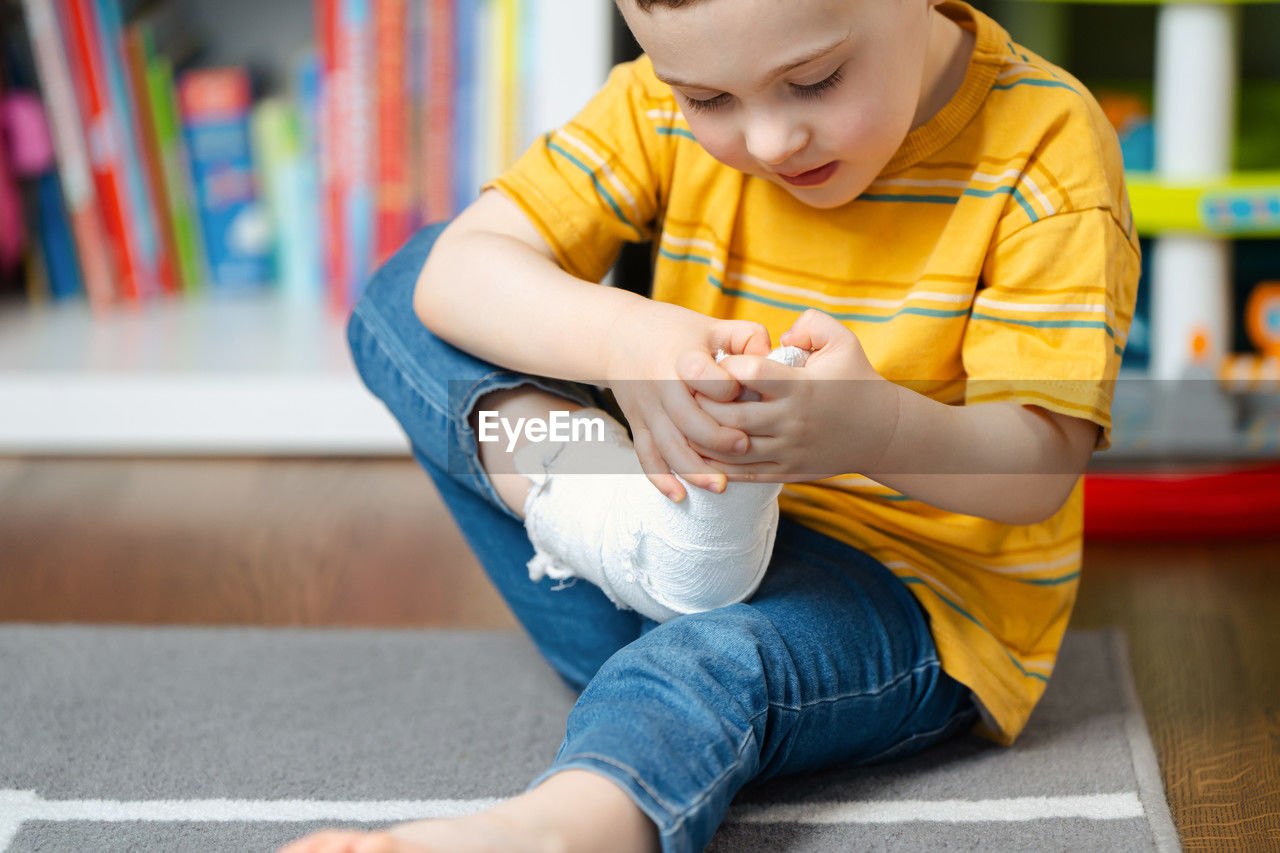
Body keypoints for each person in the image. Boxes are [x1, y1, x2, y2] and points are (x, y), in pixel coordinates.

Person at [279, 0, 1140, 849]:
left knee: (707, 664)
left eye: (815, 80)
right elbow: (457, 273)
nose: (766, 142)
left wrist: (873, 430)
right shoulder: (656, 104)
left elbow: (1037, 472)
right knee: (407, 293)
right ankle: (628, 525)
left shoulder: (1044, 146)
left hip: (902, 603)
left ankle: (550, 830)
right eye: (709, 100)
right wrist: (626, 339)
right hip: (637, 561)